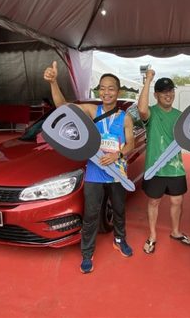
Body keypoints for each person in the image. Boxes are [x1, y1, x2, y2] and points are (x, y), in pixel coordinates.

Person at [43, 61, 135, 274]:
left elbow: (130, 143)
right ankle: (87, 253)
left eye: (111, 88)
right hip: (94, 173)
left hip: (117, 173)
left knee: (119, 211)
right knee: (91, 214)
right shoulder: (93, 110)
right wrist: (54, 82)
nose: (106, 92)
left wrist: (118, 154)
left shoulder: (125, 117)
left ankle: (119, 240)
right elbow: (63, 108)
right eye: (102, 88)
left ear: (117, 91)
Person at [138, 69, 190, 254]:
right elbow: (141, 109)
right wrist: (148, 80)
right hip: (155, 169)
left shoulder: (180, 116)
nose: (169, 95)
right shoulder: (151, 113)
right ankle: (152, 236)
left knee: (177, 201)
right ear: (156, 95)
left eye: (171, 91)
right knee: (153, 202)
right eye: (164, 92)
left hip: (176, 169)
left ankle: (175, 232)